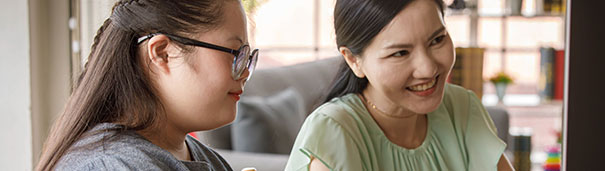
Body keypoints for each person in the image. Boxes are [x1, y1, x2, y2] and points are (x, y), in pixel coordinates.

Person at [285, 0, 513, 170]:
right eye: (400, 53)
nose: (428, 69)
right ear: (353, 60)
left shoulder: (460, 107)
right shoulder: (335, 132)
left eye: (437, 40)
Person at [35, 0, 258, 170]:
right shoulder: (112, 165)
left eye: (247, 57)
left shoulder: (203, 158)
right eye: (236, 53)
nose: (246, 71)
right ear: (162, 53)